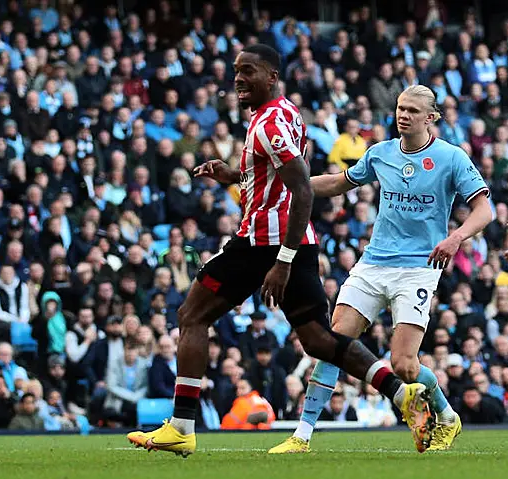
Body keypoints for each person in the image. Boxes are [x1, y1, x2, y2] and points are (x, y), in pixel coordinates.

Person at [127, 45, 433, 458]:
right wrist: (234, 175)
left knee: (191, 315)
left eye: (247, 72)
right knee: (319, 341)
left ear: (271, 76)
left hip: (263, 241)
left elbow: (302, 188)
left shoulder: (269, 124)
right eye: (236, 71)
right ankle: (400, 394)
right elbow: (275, 171)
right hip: (294, 239)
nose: (238, 79)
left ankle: (181, 427)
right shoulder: (285, 112)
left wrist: (281, 262)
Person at [269, 85, 492, 454]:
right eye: (400, 108)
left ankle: (446, 416)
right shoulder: (380, 153)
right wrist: (290, 184)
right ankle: (302, 436)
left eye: (412, 111)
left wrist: (457, 237)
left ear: (431, 118)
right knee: (333, 342)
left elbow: (485, 209)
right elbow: (340, 183)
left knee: (404, 365)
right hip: (373, 263)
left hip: (419, 269)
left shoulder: (451, 158)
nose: (403, 115)